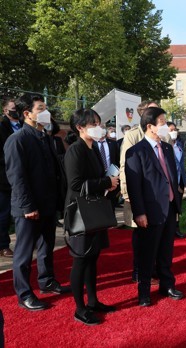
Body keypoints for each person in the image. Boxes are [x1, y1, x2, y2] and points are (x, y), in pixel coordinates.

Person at [4, 93, 70, 311]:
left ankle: (47, 281)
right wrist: (27, 207)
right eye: (41, 108)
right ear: (27, 114)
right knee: (24, 253)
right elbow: (17, 177)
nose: (46, 112)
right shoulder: (18, 140)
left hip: (48, 205)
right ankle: (24, 294)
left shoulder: (46, 137)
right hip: (29, 208)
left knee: (46, 246)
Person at [125, 107, 184, 306]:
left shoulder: (166, 148)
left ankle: (167, 285)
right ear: (150, 126)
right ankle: (143, 292)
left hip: (169, 207)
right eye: (162, 123)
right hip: (149, 211)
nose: (166, 126)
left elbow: (171, 177)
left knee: (166, 250)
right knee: (147, 253)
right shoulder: (136, 151)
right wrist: (139, 212)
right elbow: (134, 186)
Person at [64, 109, 118, 325]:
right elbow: (75, 184)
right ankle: (80, 308)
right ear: (80, 127)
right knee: (80, 260)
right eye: (93, 124)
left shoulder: (93, 147)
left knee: (93, 259)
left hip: (94, 212)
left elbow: (96, 177)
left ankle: (93, 301)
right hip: (80, 214)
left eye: (99, 123)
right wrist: (106, 183)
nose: (99, 127)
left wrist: (109, 180)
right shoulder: (75, 150)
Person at [119, 100, 159, 283]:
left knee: (156, 233)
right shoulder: (133, 135)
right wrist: (127, 193)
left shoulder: (162, 134)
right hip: (139, 193)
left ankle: (154, 267)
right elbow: (126, 166)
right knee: (140, 233)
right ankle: (138, 271)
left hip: (158, 195)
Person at [0, 97, 22, 258]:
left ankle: (26, 241)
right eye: (13, 108)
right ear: (5, 110)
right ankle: (3, 245)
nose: (17, 110)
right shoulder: (2, 128)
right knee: (4, 213)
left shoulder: (23, 126)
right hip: (4, 179)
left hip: (22, 177)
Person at [166, 122, 186, 239]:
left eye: (175, 129)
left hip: (180, 178)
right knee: (170, 205)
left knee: (178, 205)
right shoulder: (164, 145)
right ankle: (169, 229)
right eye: (170, 130)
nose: (173, 132)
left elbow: (181, 162)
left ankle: (176, 228)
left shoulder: (179, 143)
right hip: (171, 181)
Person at [94, 125, 120, 209]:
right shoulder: (92, 144)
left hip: (112, 176)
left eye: (103, 130)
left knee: (111, 203)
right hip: (98, 178)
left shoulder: (113, 143)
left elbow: (117, 160)